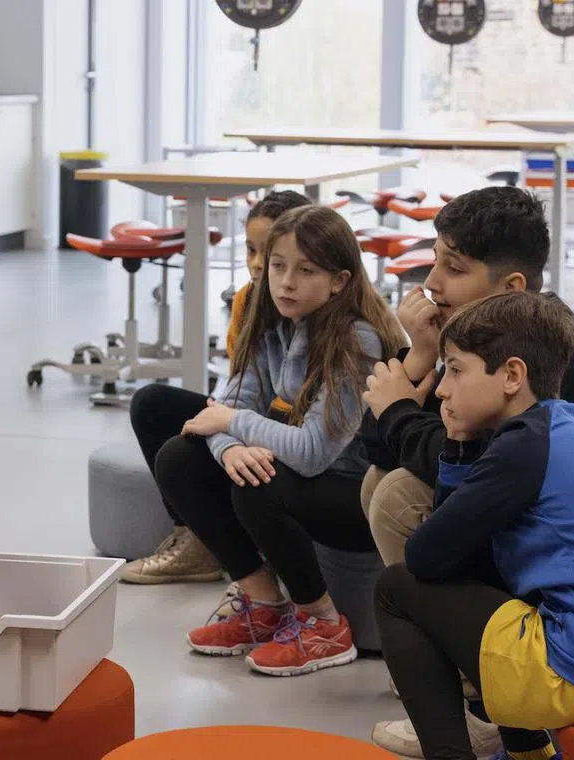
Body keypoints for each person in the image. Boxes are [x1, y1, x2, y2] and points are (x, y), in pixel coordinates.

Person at [360, 186, 574, 758]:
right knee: (457, 548)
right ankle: (526, 750)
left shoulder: (522, 443)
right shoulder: (558, 415)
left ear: (511, 375)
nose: (444, 387)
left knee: (397, 590)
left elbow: (431, 555)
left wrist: (440, 434)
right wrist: (451, 433)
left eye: (453, 372)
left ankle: (465, 734)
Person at [153, 204, 406, 676]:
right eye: (278, 265)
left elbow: (311, 453)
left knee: (261, 484)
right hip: (305, 476)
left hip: (360, 496)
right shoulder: (269, 317)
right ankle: (265, 604)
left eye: (306, 270)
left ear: (339, 281)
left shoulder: (358, 339)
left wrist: (233, 422)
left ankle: (325, 625)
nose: (286, 281)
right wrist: (231, 443)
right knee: (178, 458)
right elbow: (222, 410)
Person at [122, 190, 310, 584]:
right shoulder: (247, 301)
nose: (258, 265)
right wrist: (225, 421)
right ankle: (196, 541)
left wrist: (233, 421)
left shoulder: (324, 310)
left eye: (271, 252)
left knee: (213, 435)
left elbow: (306, 415)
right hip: (253, 415)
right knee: (152, 403)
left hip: (295, 432)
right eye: (251, 250)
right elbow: (241, 383)